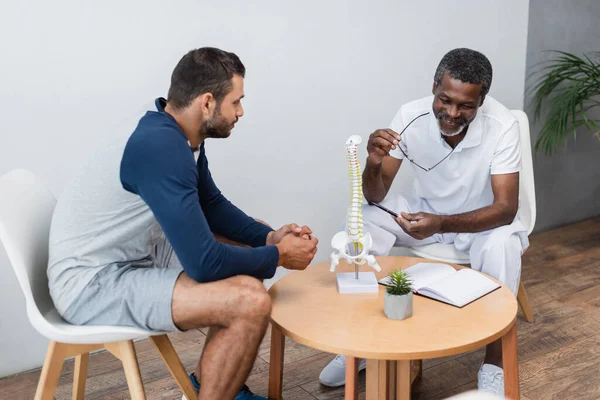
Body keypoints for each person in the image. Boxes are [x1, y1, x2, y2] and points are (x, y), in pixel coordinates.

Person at [47, 47, 319, 400]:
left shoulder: (178, 131)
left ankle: (212, 384)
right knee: (250, 302)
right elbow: (204, 264)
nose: (241, 112)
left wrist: (268, 237)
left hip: (135, 253)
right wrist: (279, 256)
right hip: (91, 283)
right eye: (236, 102)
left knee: (254, 244)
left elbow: (210, 204)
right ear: (207, 103)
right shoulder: (161, 147)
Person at [319, 48, 528, 396]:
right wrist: (373, 162)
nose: (452, 112)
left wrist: (442, 223)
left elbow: (505, 209)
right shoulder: (409, 115)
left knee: (505, 243)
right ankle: (357, 343)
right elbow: (375, 196)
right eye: (445, 100)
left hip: (481, 224)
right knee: (363, 216)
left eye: (465, 106)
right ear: (434, 87)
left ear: (482, 100)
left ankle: (495, 360)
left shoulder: (503, 125)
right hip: (424, 215)